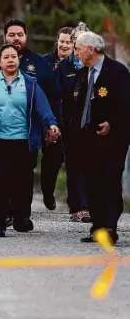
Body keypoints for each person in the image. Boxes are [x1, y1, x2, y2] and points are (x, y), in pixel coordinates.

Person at [0, 44, 60, 237]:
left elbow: (42, 108)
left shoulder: (30, 83)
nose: (10, 60)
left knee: (23, 183)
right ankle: (0, 222)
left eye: (14, 57)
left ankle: (21, 218)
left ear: (19, 60)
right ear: (0, 62)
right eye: (6, 57)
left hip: (23, 143)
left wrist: (51, 124)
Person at [71, 31, 130, 244]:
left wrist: (112, 124)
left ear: (91, 49)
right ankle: (97, 226)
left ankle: (110, 227)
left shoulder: (117, 72)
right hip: (87, 139)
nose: (75, 52)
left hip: (112, 139)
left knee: (110, 180)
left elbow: (125, 105)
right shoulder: (82, 74)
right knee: (91, 182)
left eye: (78, 47)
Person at [54, 22, 91, 222]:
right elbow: (57, 96)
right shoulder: (64, 66)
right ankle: (77, 207)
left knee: (91, 166)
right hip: (70, 125)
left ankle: (90, 205)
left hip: (91, 126)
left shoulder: (95, 65)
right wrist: (59, 122)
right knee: (74, 166)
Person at [38, 27, 74, 212]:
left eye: (69, 42)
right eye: (62, 41)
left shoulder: (78, 64)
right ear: (57, 41)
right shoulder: (44, 63)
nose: (65, 45)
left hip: (71, 120)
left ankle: (76, 203)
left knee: (74, 162)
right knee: (51, 160)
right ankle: (47, 191)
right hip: (50, 119)